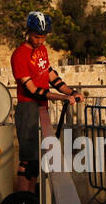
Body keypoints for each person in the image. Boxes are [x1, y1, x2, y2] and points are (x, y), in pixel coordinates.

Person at [10, 11, 82, 193]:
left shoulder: (42, 50)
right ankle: (24, 198)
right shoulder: (20, 55)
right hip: (28, 108)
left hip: (42, 108)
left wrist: (71, 91)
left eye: (43, 37)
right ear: (28, 32)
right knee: (27, 159)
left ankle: (32, 196)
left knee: (36, 158)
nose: (40, 41)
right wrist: (62, 98)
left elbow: (51, 75)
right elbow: (32, 90)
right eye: (37, 36)